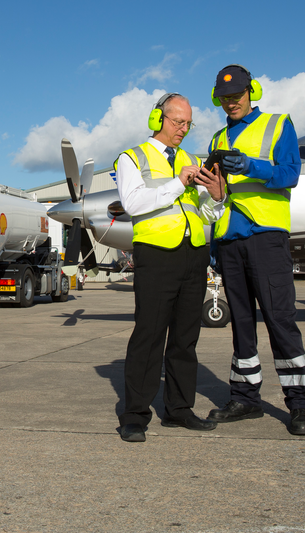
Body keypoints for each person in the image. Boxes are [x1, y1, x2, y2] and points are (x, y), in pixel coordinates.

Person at [206, 64, 305, 436]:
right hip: (229, 240)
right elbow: (219, 193)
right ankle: (245, 398)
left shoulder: (278, 124)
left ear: (252, 91)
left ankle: (300, 405)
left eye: (237, 95)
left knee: (280, 320)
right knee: (241, 325)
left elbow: (291, 174)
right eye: (224, 97)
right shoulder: (217, 138)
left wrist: (252, 166)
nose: (231, 102)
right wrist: (214, 237)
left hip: (266, 237)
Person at [114, 93, 224, 442]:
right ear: (157, 119)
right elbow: (133, 204)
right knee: (149, 335)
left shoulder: (193, 160)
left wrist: (217, 196)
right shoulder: (132, 158)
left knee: (185, 338)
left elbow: (207, 213)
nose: (184, 129)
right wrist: (178, 183)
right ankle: (135, 415)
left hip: (194, 254)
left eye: (188, 124)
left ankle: (179, 409)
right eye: (178, 122)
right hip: (157, 255)